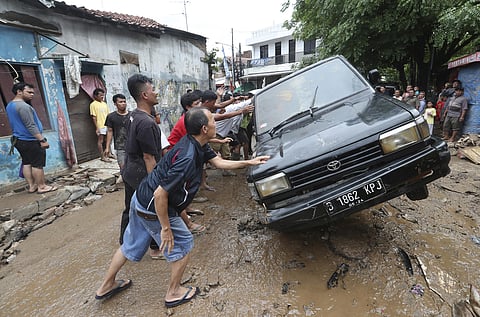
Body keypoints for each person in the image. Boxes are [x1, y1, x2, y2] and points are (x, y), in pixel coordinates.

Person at [94, 107, 269, 307]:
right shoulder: (187, 156)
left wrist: (250, 162)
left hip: (140, 198)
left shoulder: (197, 143)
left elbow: (219, 163)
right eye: (213, 119)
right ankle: (174, 292)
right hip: (153, 206)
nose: (215, 122)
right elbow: (160, 195)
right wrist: (166, 229)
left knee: (129, 245)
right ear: (204, 128)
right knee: (183, 242)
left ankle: (106, 286)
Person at [120, 74, 163, 258]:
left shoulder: (133, 116)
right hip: (140, 173)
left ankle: (123, 242)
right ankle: (154, 248)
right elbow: (149, 157)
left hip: (130, 170)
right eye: (153, 89)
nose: (156, 93)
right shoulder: (146, 123)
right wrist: (154, 184)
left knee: (130, 206)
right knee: (150, 208)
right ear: (145, 95)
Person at [6, 82, 58, 194]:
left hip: (19, 140)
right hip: (30, 139)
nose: (32, 95)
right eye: (29, 92)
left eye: (33, 93)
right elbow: (30, 125)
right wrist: (42, 140)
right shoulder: (23, 106)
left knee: (27, 162)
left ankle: (32, 186)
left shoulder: (10, 105)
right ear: (19, 91)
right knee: (37, 164)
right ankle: (42, 186)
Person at [104, 94, 130, 171]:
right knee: (122, 167)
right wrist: (107, 147)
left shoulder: (132, 115)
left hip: (133, 146)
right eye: (120, 102)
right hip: (120, 147)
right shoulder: (111, 117)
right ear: (115, 104)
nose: (123, 104)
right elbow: (109, 131)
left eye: (124, 101)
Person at [90, 88, 111, 162]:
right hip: (100, 125)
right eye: (100, 95)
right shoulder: (93, 105)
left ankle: (109, 154)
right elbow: (94, 117)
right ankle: (102, 156)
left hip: (107, 125)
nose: (102, 97)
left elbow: (108, 115)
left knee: (108, 139)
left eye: (103, 95)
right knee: (101, 141)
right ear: (95, 96)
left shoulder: (104, 104)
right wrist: (97, 128)